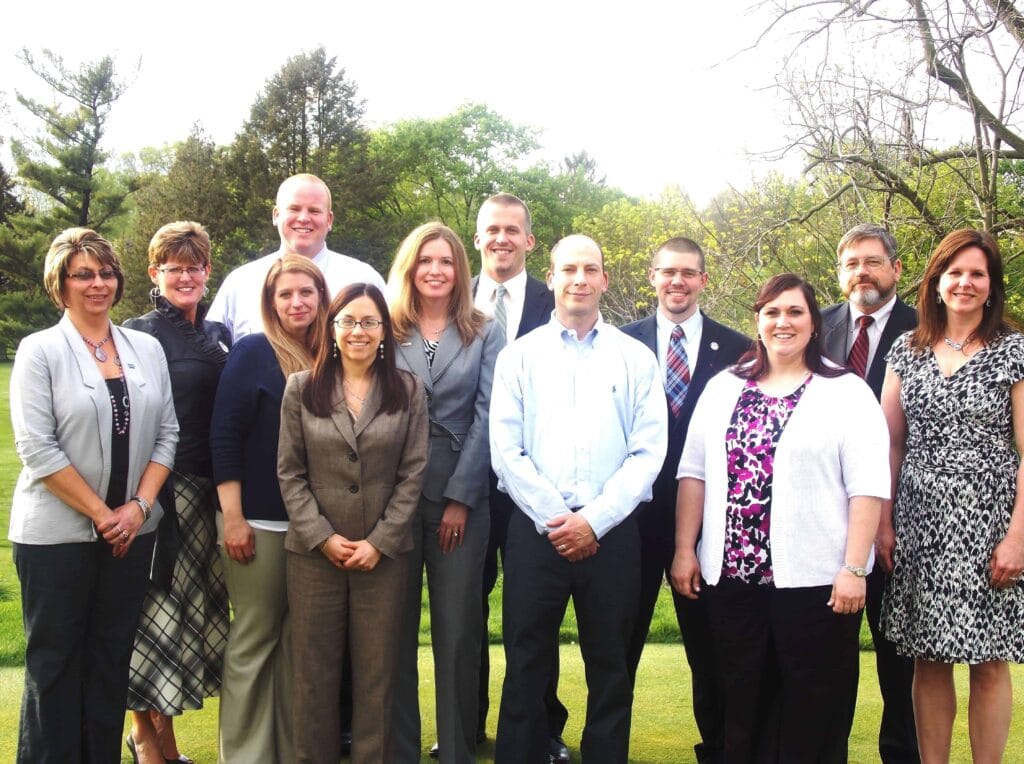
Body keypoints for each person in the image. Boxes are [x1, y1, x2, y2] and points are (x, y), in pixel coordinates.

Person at [672, 272, 890, 762]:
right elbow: (693, 474)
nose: (783, 322)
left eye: (795, 312)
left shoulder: (846, 392)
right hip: (732, 581)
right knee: (741, 703)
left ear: (815, 323)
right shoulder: (723, 388)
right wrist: (686, 549)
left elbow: (868, 487)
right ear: (758, 321)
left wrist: (855, 569)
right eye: (772, 312)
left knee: (813, 706)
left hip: (816, 585)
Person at [490, 234, 667, 763]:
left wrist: (594, 521)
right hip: (533, 531)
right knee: (526, 661)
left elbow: (647, 452)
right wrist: (557, 518)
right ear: (551, 277)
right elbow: (506, 450)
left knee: (611, 666)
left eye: (591, 269)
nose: (580, 279)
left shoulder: (635, 358)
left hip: (612, 535)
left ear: (605, 279)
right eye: (569, 269)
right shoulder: (518, 356)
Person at [9, 227, 177, 763]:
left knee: (109, 662)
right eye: (83, 274)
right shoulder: (39, 351)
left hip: (132, 535)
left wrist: (138, 509)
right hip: (56, 537)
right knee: (56, 666)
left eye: (105, 273)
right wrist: (106, 515)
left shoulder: (145, 348)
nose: (97, 283)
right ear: (60, 285)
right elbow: (38, 448)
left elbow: (167, 434)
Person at [879, 229, 1024, 763]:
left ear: (991, 288)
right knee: (928, 658)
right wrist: (883, 522)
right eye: (954, 272)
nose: (965, 282)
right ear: (936, 281)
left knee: (989, 660)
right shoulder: (906, 349)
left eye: (977, 274)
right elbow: (890, 443)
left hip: (991, 523)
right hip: (920, 523)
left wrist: (1018, 537)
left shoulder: (1015, 351)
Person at [278, 283, 429, 763]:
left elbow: (414, 473)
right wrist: (323, 538)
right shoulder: (301, 388)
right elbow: (290, 472)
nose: (358, 331)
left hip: (384, 559)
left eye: (368, 322)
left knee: (377, 677)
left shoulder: (407, 390)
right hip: (313, 559)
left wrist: (380, 542)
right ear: (332, 327)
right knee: (313, 677)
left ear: (384, 330)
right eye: (348, 321)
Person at [621, 236, 749, 764]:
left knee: (708, 648)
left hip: (706, 523)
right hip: (628, 519)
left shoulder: (740, 349)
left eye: (688, 273)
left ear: (703, 279)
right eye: (668, 272)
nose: (678, 281)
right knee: (617, 645)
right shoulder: (619, 343)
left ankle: (718, 749)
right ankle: (609, 747)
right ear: (652, 276)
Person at [389, 223, 503, 763]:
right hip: (392, 500)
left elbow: (489, 418)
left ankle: (457, 748)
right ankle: (400, 748)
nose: (436, 270)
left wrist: (461, 496)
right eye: (425, 260)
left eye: (447, 261)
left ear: (461, 270)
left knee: (458, 635)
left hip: (460, 500)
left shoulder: (485, 330)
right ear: (410, 267)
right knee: (393, 634)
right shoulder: (384, 326)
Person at [210, 255, 330, 764]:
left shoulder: (333, 353)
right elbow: (225, 437)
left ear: (322, 297)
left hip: (315, 527)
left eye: (306, 292)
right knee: (255, 639)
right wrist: (232, 518)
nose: (296, 302)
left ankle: (282, 750)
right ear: (270, 301)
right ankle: (244, 755)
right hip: (257, 522)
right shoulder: (253, 352)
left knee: (292, 645)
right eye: (285, 294)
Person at [122, 221, 231, 764]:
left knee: (189, 617)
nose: (185, 276)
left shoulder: (218, 335)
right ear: (154, 273)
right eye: (173, 267)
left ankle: (162, 740)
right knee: (155, 614)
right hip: (162, 493)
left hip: (209, 494)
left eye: (194, 266)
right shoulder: (137, 333)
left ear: (207, 272)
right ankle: (148, 739)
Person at [471, 193, 566, 761]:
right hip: (468, 484)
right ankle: (465, 723)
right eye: (491, 230)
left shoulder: (557, 300)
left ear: (530, 241)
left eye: (513, 230)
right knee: (467, 607)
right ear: (477, 238)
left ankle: (542, 727)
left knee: (538, 611)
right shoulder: (454, 299)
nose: (502, 239)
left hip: (539, 485)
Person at [821, 223, 919, 764]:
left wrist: (889, 517)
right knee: (829, 657)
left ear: (896, 270)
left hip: (901, 520)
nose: (862, 272)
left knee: (896, 656)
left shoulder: (925, 329)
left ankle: (900, 755)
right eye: (851, 262)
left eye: (873, 261)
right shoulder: (817, 328)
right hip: (828, 519)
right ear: (840, 274)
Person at [207, 172, 385, 341]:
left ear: (329, 220)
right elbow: (213, 352)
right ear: (276, 215)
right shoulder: (240, 282)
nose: (303, 218)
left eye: (314, 211)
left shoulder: (363, 279)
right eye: (294, 209)